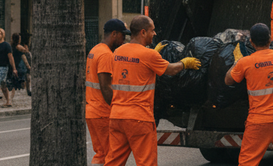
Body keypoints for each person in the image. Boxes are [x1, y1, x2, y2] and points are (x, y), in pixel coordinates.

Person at [104, 15, 200, 166]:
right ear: (143, 32)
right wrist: (184, 63)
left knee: (114, 161)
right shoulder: (150, 55)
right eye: (152, 30)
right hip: (139, 118)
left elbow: (134, 66)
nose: (154, 34)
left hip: (117, 116)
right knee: (146, 162)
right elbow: (170, 70)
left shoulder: (117, 52)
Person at [224, 23, 273, 166]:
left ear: (251, 42)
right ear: (270, 39)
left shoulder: (245, 63)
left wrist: (236, 62)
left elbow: (228, 80)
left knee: (247, 163)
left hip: (258, 122)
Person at [86, 19, 130, 166]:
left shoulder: (94, 50)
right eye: (123, 36)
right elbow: (105, 87)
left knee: (102, 153)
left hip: (92, 111)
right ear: (114, 34)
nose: (124, 40)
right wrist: (118, 109)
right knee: (112, 155)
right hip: (102, 112)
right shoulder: (106, 55)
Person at [6, 33, 30, 107]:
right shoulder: (19, 47)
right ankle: (10, 100)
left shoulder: (10, 47)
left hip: (11, 66)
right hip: (18, 66)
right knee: (17, 83)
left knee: (11, 84)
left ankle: (9, 101)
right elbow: (25, 53)